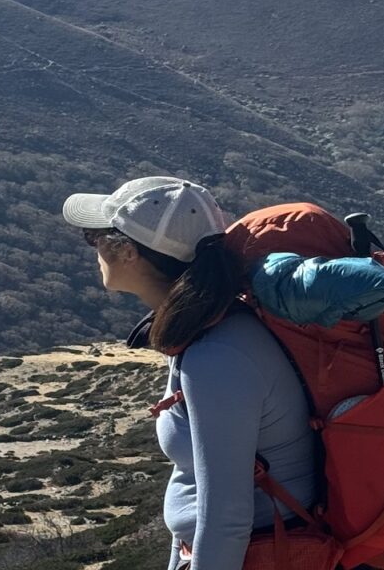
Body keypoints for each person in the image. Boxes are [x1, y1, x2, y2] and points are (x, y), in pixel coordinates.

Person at [62, 176, 318, 570]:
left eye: (94, 238)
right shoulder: (208, 327)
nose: (93, 249)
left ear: (127, 251)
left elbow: (227, 517)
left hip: (266, 552)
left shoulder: (216, 356)